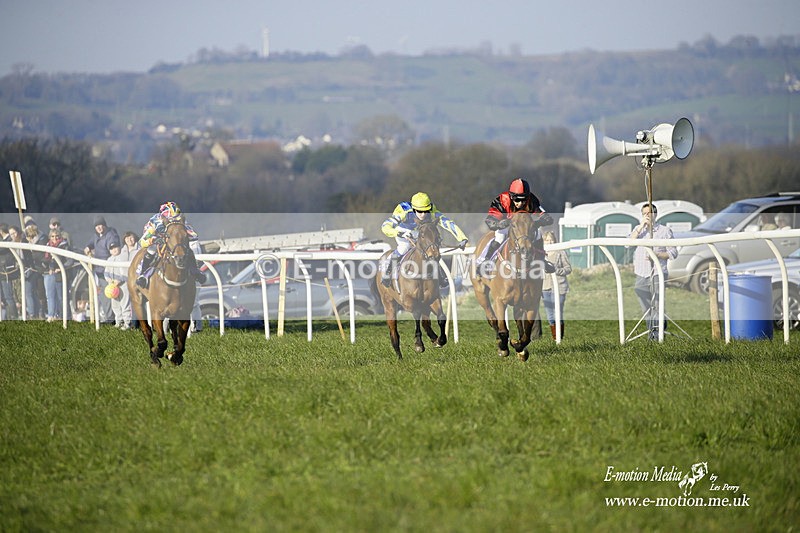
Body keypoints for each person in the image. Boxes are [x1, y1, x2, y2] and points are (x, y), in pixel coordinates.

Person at [379, 192, 468, 287]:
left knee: (432, 249)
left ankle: (440, 276)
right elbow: (385, 226)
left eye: (426, 211)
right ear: (413, 209)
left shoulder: (431, 210)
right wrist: (399, 233)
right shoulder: (404, 209)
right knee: (403, 248)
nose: (423, 214)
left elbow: (447, 223)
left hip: (420, 232)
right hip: (404, 231)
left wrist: (462, 238)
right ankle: (388, 272)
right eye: (420, 211)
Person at [477, 178, 554, 272]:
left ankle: (542, 261)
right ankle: (487, 261)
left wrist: (537, 223)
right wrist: (499, 224)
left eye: (524, 200)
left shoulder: (532, 199)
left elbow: (548, 218)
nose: (521, 203)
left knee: (537, 234)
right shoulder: (502, 200)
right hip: (507, 226)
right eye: (517, 200)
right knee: (499, 237)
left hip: (524, 228)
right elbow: (489, 220)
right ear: (511, 197)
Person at [628, 203, 678, 340]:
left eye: (649, 213)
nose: (647, 216)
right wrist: (640, 228)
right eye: (644, 213)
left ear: (655, 214)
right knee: (645, 305)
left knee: (657, 304)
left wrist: (656, 255)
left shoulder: (665, 231)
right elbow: (628, 243)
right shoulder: (639, 230)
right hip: (641, 273)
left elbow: (673, 253)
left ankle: (657, 335)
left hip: (658, 272)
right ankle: (652, 330)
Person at [135, 202, 206, 288]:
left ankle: (196, 270)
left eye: (177, 218)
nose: (175, 221)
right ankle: (143, 275)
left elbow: (194, 236)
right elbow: (142, 241)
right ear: (164, 217)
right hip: (157, 237)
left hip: (172, 241)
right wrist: (154, 239)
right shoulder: (155, 222)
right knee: (151, 249)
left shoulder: (180, 220)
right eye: (173, 219)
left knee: (192, 244)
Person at [84, 215, 120, 324]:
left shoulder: (110, 234)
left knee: (110, 295)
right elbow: (90, 243)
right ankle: (108, 317)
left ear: (104, 225)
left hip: (109, 271)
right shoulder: (96, 235)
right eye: (96, 226)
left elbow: (114, 249)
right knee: (103, 295)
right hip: (99, 271)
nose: (99, 227)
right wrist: (88, 247)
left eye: (100, 225)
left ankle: (112, 319)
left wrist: (112, 249)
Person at [541, 231, 572, 340]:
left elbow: (568, 268)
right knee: (550, 315)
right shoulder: (540, 253)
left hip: (559, 286)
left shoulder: (560, 252)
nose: (549, 242)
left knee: (557, 313)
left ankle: (560, 338)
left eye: (551, 239)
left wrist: (557, 271)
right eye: (547, 240)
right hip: (545, 287)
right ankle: (555, 338)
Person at [41, 227, 72, 322]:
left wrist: (61, 268)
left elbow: (69, 261)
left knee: (61, 298)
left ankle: (65, 317)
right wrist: (46, 266)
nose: (55, 238)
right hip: (49, 274)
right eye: (52, 236)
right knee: (49, 296)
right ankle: (52, 315)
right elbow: (44, 261)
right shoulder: (47, 246)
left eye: (57, 236)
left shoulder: (64, 245)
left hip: (60, 275)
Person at [104, 239, 132, 329]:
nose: (114, 250)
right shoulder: (109, 259)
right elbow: (106, 272)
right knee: (115, 305)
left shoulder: (122, 257)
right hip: (112, 286)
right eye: (111, 248)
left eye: (115, 247)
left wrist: (118, 281)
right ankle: (118, 321)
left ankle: (127, 323)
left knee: (125, 304)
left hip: (122, 285)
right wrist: (109, 280)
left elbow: (124, 272)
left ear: (119, 247)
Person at [24, 224, 47, 319]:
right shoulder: (30, 242)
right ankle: (36, 313)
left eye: (31, 236)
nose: (30, 239)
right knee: (34, 292)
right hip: (34, 269)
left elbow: (39, 255)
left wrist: (32, 249)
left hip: (42, 269)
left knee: (42, 292)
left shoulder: (42, 239)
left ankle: (42, 312)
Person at [0, 223, 20, 320]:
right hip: (4, 272)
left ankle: (14, 317)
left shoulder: (8, 241)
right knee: (6, 297)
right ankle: (8, 317)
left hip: (7, 272)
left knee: (9, 296)